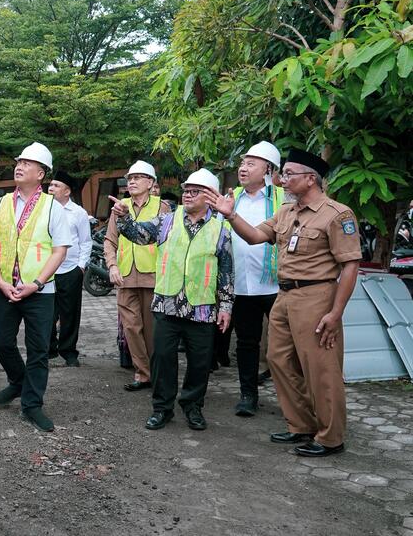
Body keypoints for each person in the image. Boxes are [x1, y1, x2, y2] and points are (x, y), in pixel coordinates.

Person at [207, 149, 360, 457]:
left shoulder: (336, 214)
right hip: (285, 295)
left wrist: (335, 312)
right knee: (278, 360)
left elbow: (350, 265)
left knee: (320, 368)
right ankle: (301, 424)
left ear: (310, 179)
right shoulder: (285, 213)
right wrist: (231, 215)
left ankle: (331, 437)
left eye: (290, 174)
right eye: (283, 173)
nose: (283, 179)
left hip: (317, 297)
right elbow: (253, 236)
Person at [111, 168, 233, 431]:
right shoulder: (166, 220)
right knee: (163, 359)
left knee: (200, 363)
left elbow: (226, 270)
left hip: (201, 308)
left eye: (195, 191)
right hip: (167, 303)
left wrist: (225, 306)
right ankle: (162, 408)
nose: (187, 195)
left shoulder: (221, 228)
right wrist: (123, 218)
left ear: (211, 197)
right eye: (186, 190)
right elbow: (137, 234)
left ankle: (192, 406)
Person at [0, 142, 71, 432]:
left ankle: (32, 405)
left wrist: (37, 283)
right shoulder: (0, 204)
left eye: (28, 163)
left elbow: (59, 250)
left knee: (38, 350)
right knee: (3, 342)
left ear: (41, 173)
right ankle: (18, 381)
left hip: (40, 292)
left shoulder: (52, 208)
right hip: (4, 288)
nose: (19, 166)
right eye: (19, 162)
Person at [222, 141, 285, 417]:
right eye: (242, 163)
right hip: (242, 285)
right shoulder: (230, 197)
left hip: (277, 285)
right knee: (246, 342)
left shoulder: (284, 199)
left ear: (268, 169)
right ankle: (248, 395)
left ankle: (293, 400)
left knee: (286, 342)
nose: (243, 168)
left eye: (251, 164)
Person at [104, 160, 171, 391]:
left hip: (153, 276)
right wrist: (112, 266)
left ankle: (157, 372)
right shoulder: (119, 206)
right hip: (125, 276)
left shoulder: (162, 207)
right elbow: (110, 240)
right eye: (129, 178)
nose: (131, 181)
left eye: (138, 177)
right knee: (131, 328)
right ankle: (142, 373)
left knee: (152, 329)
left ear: (150, 182)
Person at [46, 170, 92, 366]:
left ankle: (69, 351)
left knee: (70, 314)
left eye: (55, 185)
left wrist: (80, 267)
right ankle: (48, 349)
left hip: (70, 270)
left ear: (67, 191)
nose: (50, 188)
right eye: (50, 185)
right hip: (46, 271)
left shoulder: (78, 213)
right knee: (46, 312)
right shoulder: (43, 210)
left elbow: (86, 241)